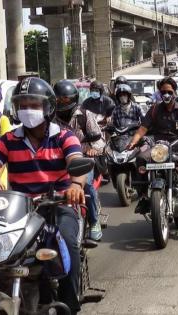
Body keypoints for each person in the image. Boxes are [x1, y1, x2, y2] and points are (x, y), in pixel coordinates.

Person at [0, 77, 85, 315]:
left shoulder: (65, 137)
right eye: (22, 105)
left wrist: (75, 185)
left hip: (58, 204)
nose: (27, 110)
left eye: (33, 104)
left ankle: (69, 305)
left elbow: (76, 162)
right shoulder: (8, 140)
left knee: (67, 241)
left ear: (48, 107)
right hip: (21, 211)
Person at [127, 77, 178, 212]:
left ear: (174, 92)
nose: (166, 95)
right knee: (140, 158)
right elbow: (142, 129)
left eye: (169, 91)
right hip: (159, 147)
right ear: (160, 93)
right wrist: (133, 142)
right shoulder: (154, 110)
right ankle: (143, 197)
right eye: (163, 92)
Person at [54, 79, 105, 241]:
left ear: (73, 99)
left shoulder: (84, 115)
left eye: (65, 99)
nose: (61, 102)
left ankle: (95, 221)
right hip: (57, 161)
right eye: (57, 98)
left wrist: (93, 149)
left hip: (82, 160)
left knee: (87, 185)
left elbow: (99, 140)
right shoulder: (49, 118)